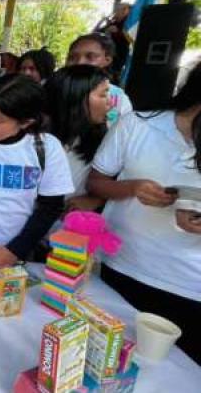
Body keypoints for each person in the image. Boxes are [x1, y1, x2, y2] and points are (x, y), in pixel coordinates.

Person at [86, 62, 201, 364]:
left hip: (190, 287)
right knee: (103, 360)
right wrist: (132, 187)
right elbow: (96, 182)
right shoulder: (138, 124)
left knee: (176, 375)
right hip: (123, 267)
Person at [0, 74, 74, 267]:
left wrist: (16, 250)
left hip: (17, 247)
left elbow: (51, 206)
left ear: (26, 122)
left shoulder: (45, 147)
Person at [44, 65, 110, 214]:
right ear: (76, 98)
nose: (110, 102)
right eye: (103, 94)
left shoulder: (103, 141)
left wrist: (96, 199)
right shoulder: (34, 142)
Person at [67, 33, 132, 125]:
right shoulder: (55, 90)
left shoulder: (119, 100)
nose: (80, 62)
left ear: (107, 60)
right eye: (72, 58)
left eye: (90, 57)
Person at [93, 3, 131, 77]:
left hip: (122, 62)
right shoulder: (113, 23)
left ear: (125, 11)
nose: (115, 13)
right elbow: (95, 33)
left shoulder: (130, 24)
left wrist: (118, 32)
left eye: (117, 10)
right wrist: (101, 22)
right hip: (108, 61)